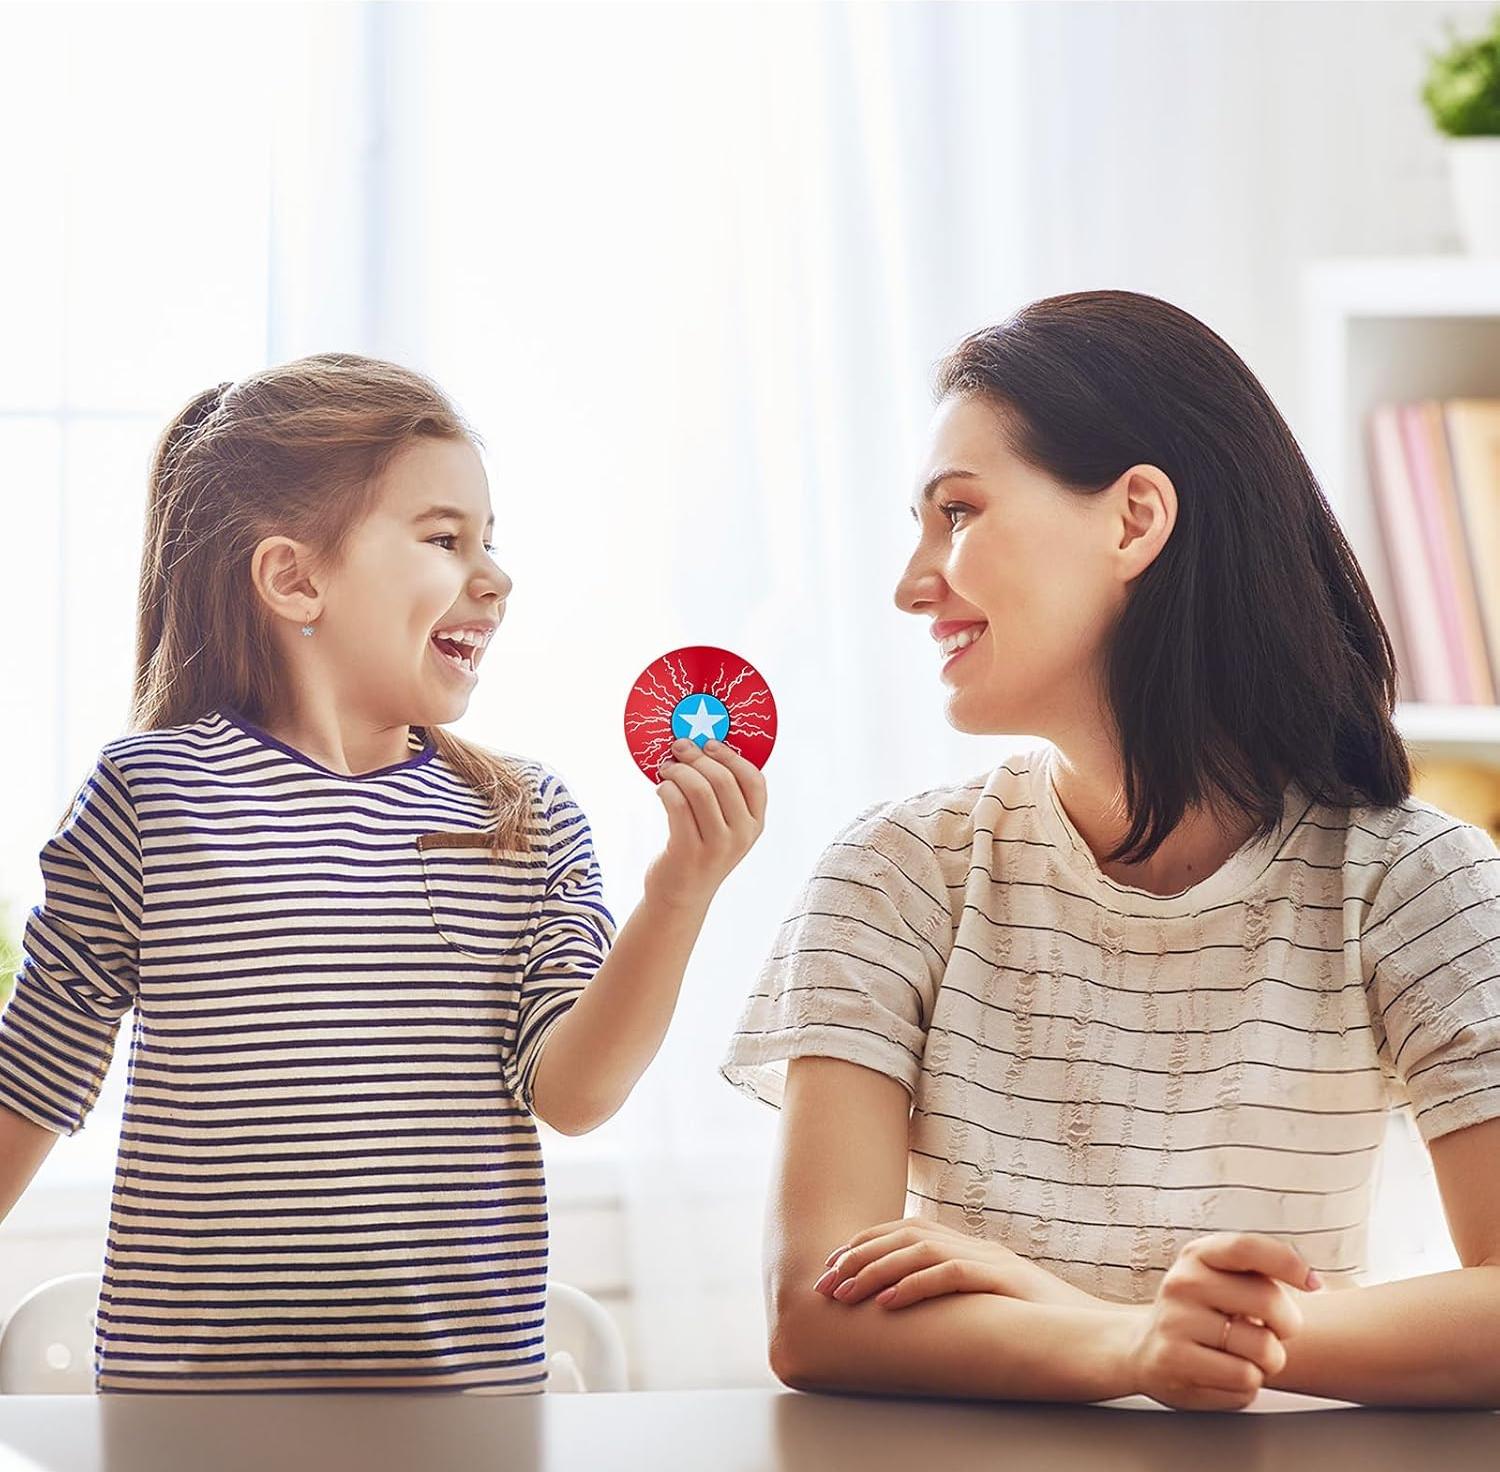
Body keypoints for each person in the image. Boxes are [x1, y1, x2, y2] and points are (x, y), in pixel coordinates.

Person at [720, 290, 1500, 1411]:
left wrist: (1120, 1326)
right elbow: (813, 1313)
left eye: (958, 514)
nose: (912, 583)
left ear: (1134, 519)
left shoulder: (1411, 885)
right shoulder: (899, 874)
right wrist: (1134, 1351)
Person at [0, 353, 766, 1393]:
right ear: (294, 578)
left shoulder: (526, 818)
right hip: (188, 1428)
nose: (492, 576)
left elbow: (576, 1093)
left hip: (466, 1422)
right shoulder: (151, 795)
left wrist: (680, 893)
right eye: (445, 539)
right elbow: (32, 1083)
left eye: (490, 542)